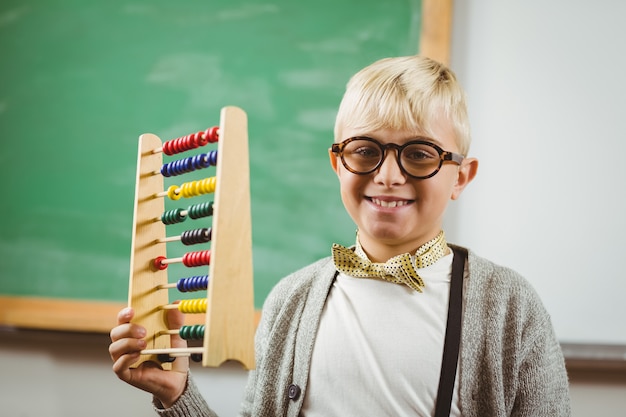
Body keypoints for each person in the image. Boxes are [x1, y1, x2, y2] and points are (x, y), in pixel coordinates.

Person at [109, 55, 571, 416]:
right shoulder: (291, 300)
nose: (388, 175)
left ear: (461, 177)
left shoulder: (510, 308)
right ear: (337, 164)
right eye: (365, 150)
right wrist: (177, 396)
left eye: (420, 154)